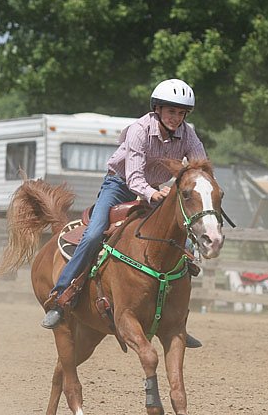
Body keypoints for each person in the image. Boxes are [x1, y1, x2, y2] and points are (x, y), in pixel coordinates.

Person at [41, 79, 206, 347]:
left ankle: (176, 322)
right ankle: (61, 297)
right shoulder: (139, 130)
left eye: (181, 113)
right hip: (120, 185)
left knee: (182, 240)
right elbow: (133, 178)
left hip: (154, 189)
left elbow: (199, 166)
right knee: (94, 234)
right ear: (158, 109)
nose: (176, 118)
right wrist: (154, 194)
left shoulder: (188, 135)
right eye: (171, 111)